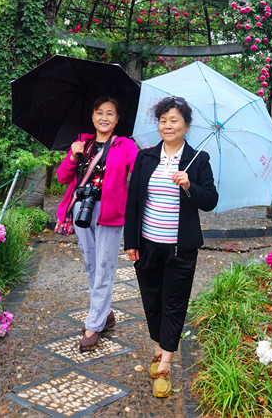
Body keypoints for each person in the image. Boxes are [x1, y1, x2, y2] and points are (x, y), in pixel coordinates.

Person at [124, 96, 218, 398]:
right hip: (147, 244)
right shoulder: (146, 157)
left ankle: (165, 364)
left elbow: (210, 200)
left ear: (186, 126)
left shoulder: (198, 160)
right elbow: (133, 201)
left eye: (174, 120)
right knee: (151, 300)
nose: (167, 125)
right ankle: (158, 348)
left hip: (180, 249)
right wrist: (130, 242)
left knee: (174, 304)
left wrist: (189, 185)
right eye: (163, 120)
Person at [56, 97, 139, 352]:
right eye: (99, 112)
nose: (104, 117)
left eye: (110, 113)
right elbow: (62, 177)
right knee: (91, 264)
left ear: (117, 119)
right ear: (92, 117)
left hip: (110, 212)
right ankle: (105, 313)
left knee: (104, 265)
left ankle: (93, 324)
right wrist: (73, 155)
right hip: (81, 209)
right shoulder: (83, 143)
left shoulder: (125, 145)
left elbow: (138, 169)